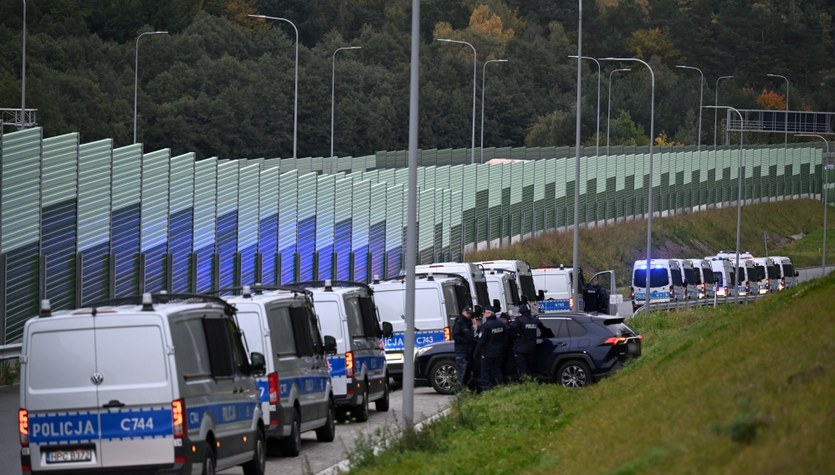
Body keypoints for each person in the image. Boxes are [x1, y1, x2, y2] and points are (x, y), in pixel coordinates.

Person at [511, 301, 549, 379]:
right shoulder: (535, 320)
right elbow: (544, 330)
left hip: (520, 349)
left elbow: (511, 328)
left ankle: (525, 384)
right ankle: (531, 382)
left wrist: (518, 334)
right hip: (532, 348)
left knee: (522, 368)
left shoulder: (519, 320)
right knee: (530, 368)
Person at [474, 306, 508, 390]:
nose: (484, 314)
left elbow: (481, 341)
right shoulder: (501, 323)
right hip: (499, 352)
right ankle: (500, 386)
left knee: (485, 371)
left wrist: (475, 353)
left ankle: (486, 389)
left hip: (487, 353)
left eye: (485, 312)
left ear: (489, 313)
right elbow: (505, 337)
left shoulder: (486, 325)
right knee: (497, 370)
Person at [451, 306, 475, 388]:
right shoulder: (460, 322)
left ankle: (466, 386)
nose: (469, 315)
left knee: (468, 370)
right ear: (463, 312)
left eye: (470, 314)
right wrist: (465, 341)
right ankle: (460, 388)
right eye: (467, 313)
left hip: (469, 349)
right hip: (461, 350)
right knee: (461, 370)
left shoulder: (468, 322)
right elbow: (455, 336)